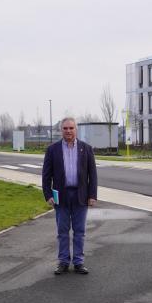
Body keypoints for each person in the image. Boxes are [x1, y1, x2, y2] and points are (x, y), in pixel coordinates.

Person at [42, 117, 97, 275]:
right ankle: (63, 262)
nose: (68, 131)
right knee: (62, 231)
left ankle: (79, 262)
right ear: (61, 130)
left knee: (80, 232)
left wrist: (92, 195)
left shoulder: (86, 149)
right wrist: (47, 195)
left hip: (81, 196)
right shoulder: (53, 150)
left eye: (71, 128)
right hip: (62, 196)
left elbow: (92, 175)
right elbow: (46, 175)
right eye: (65, 128)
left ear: (76, 130)